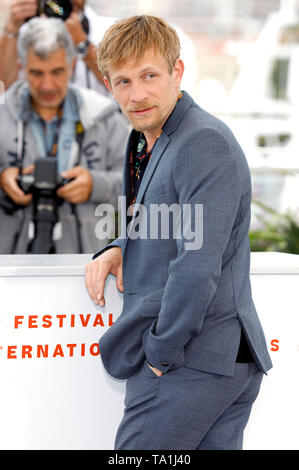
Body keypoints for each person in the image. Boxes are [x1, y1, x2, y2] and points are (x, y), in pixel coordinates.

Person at [85, 15, 273, 450]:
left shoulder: (201, 142)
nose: (137, 94)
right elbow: (168, 218)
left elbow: (197, 265)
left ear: (177, 72)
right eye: (123, 81)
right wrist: (120, 247)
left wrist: (160, 354)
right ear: (109, 87)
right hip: (216, 361)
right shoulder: (158, 137)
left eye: (149, 75)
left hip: (190, 362)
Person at [0, 17, 129, 254]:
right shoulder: (2, 115)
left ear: (72, 65)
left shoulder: (104, 117)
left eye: (57, 71)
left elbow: (143, 183)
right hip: (9, 269)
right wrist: (3, 179)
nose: (47, 85)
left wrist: (96, 185)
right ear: (21, 66)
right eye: (37, 73)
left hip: (84, 268)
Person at [0, 0, 117, 95]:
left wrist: (83, 45)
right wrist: (12, 28)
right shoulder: (24, 33)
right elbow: (5, 87)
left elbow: (123, 82)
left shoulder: (110, 29)